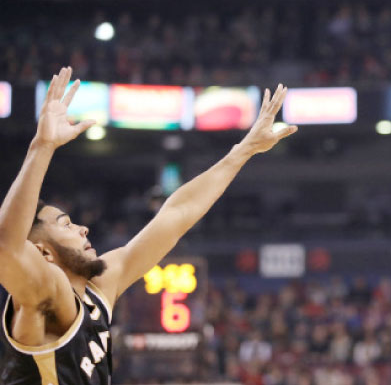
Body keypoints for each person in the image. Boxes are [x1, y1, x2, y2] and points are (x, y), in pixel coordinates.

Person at [0, 67, 297, 384]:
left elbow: (177, 213)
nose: (82, 229)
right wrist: (42, 146)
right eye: (66, 224)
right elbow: (6, 246)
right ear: (43, 252)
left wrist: (244, 150)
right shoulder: (46, 293)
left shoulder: (100, 286)